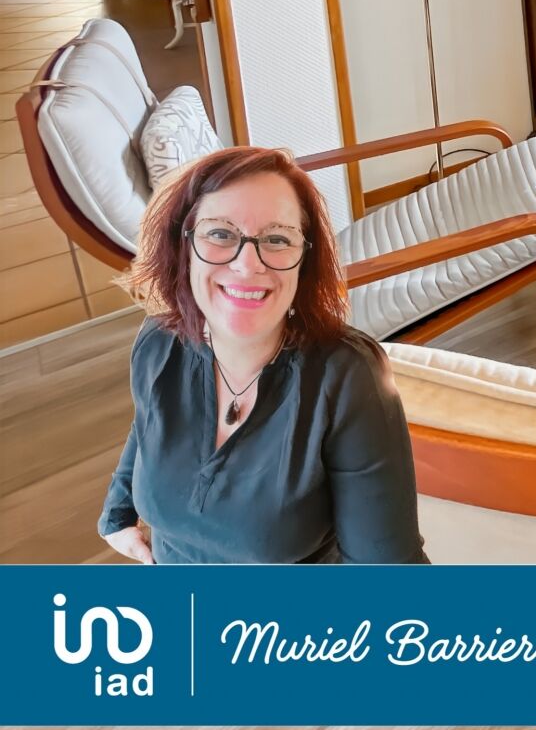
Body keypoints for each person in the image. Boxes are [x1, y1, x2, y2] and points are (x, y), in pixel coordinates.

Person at [98, 146, 427, 564]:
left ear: (304, 261)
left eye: (277, 239)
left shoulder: (347, 376)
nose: (247, 264)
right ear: (184, 245)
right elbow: (149, 426)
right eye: (220, 234)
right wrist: (117, 512)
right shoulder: (159, 343)